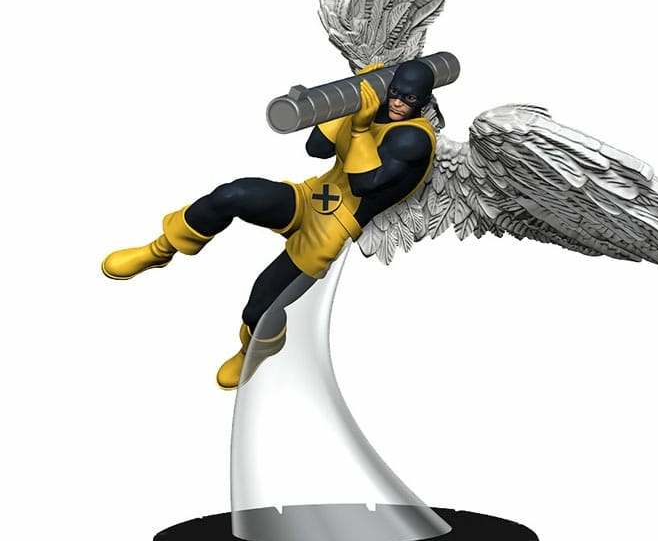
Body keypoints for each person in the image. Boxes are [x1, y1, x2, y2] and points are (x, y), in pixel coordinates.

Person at [102, 60, 437, 388]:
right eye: (395, 93)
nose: (397, 103)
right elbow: (316, 148)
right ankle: (160, 250)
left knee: (261, 306)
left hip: (334, 227)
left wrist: (360, 127)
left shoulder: (414, 140)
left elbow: (363, 184)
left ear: (423, 100)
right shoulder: (374, 110)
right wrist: (348, 99)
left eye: (408, 98)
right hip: (313, 196)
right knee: (233, 195)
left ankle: (257, 347)